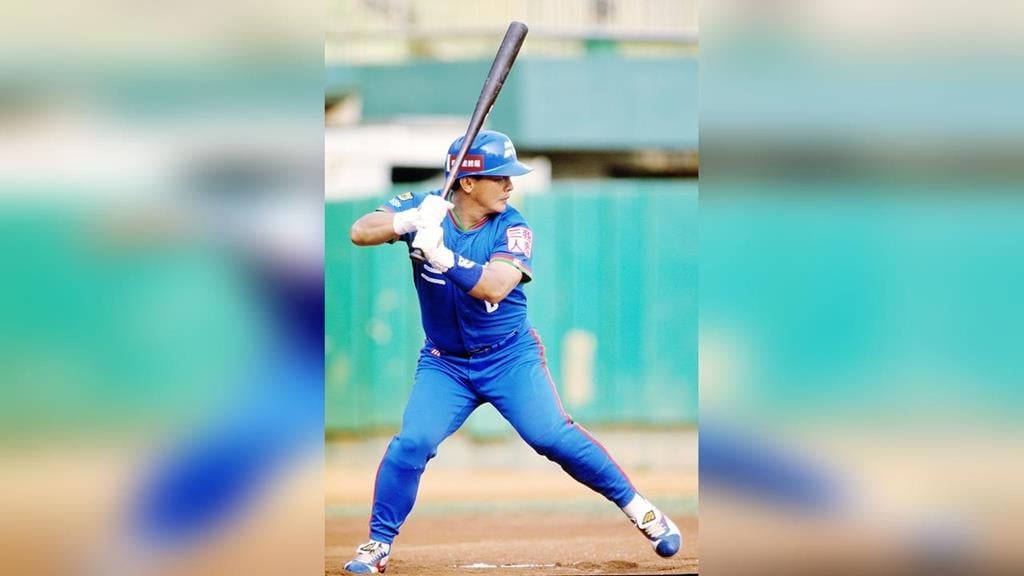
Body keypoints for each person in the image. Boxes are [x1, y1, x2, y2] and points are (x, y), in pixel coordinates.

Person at [343, 130, 681, 574]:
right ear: (467, 182)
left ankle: (642, 511)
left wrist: (444, 257)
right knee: (412, 442)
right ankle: (377, 545)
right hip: (445, 363)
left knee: (550, 436)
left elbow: (496, 285)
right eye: (500, 176)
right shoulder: (424, 206)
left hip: (508, 357)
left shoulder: (513, 226)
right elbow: (359, 231)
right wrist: (406, 222)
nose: (509, 185)